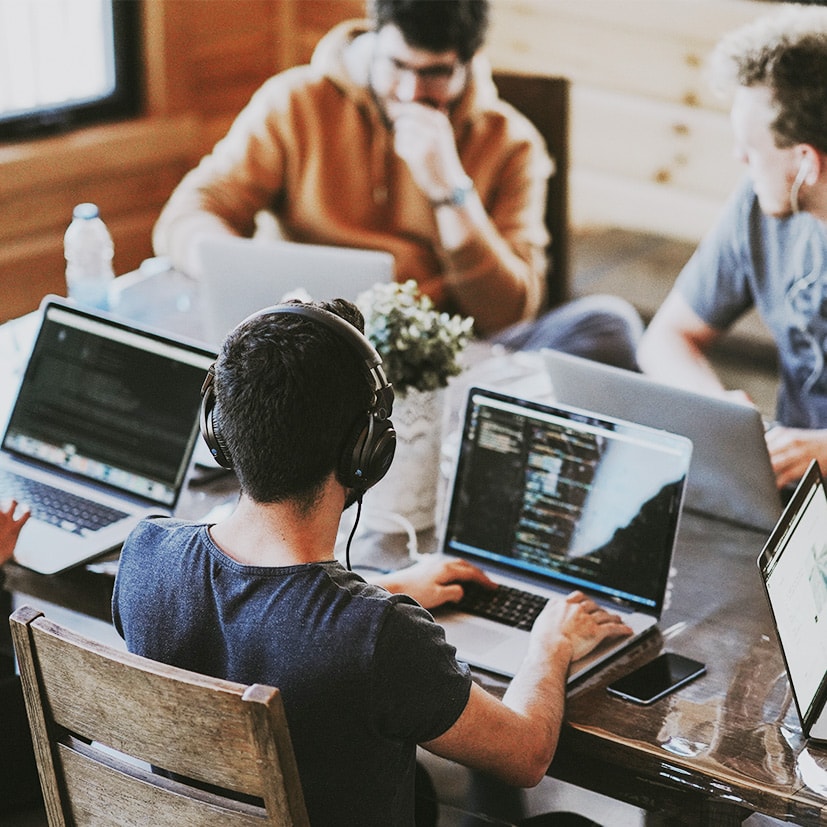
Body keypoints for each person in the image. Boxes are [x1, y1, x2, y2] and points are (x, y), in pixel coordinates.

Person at [112, 298, 632, 827]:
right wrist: (551, 644)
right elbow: (527, 756)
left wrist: (379, 588)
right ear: (366, 453)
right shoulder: (379, 636)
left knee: (420, 789)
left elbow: (262, 617)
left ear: (218, 429)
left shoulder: (146, 555)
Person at [152, 0, 642, 369]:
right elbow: (188, 214)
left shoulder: (512, 143)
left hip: (441, 361)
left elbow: (509, 315)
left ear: (468, 62)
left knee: (609, 327)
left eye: (434, 73)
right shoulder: (293, 102)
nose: (410, 92)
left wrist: (451, 191)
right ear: (375, 35)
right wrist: (230, 272)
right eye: (397, 66)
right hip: (306, 346)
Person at [638, 5, 827, 491]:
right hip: (791, 496)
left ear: (805, 162)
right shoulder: (757, 206)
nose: (739, 158)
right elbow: (667, 338)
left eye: (750, 145)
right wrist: (715, 408)